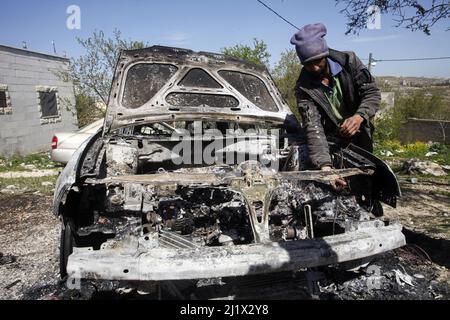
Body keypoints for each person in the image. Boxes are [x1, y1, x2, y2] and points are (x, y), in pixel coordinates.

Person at [290, 23, 381, 178]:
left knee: (365, 179)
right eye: (308, 64)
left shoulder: (349, 63)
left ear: (324, 54)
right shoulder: (303, 87)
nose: (315, 68)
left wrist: (359, 117)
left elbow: (372, 93)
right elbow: (313, 126)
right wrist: (325, 166)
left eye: (317, 60)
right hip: (330, 140)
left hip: (361, 135)